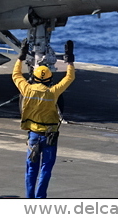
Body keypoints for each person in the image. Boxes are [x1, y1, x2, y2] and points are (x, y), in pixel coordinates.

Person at [12, 39, 76, 198]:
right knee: (45, 169)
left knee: (31, 169)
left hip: (33, 136)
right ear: (49, 79)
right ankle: (40, 199)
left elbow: (16, 75)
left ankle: (29, 199)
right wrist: (69, 60)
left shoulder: (27, 89)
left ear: (34, 77)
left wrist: (20, 57)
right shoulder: (52, 92)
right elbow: (69, 78)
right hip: (50, 137)